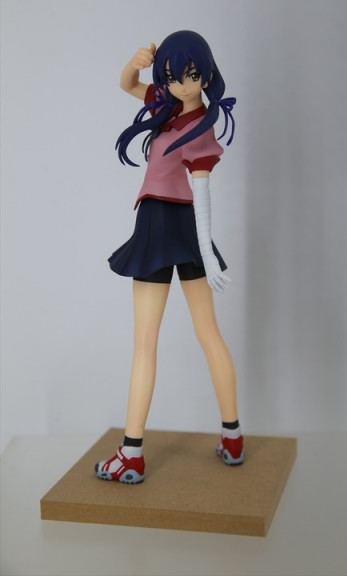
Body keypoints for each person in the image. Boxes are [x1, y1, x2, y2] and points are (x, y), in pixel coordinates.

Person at [95, 31, 244, 484]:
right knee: (160, 338)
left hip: (168, 226)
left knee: (187, 335)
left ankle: (136, 453)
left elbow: (203, 197)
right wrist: (136, 61)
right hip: (168, 227)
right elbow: (126, 84)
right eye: (172, 76)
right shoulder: (165, 104)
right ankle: (229, 439)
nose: (181, 84)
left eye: (190, 75)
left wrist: (209, 255)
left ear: (206, 74)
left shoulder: (202, 128)